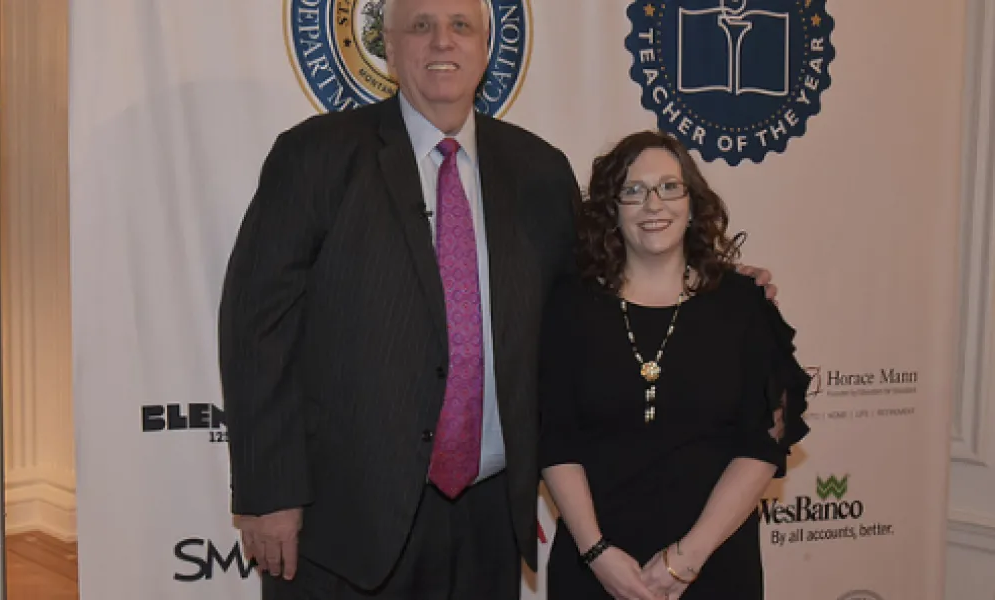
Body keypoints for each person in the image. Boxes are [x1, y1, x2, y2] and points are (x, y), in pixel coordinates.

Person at [217, 0, 778, 598]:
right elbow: (256, 323)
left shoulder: (539, 170)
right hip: (346, 521)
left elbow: (605, 283)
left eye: (461, 26)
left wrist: (708, 282)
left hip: (489, 517)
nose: (442, 43)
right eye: (421, 26)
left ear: (486, 49)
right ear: (388, 47)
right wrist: (269, 493)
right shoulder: (316, 156)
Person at [538, 130, 810, 600]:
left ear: (692, 201)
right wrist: (597, 553)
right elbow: (554, 438)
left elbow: (762, 444)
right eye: (633, 190)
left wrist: (686, 559)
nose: (653, 204)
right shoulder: (570, 306)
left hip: (714, 567)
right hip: (597, 570)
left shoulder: (744, 305)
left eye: (669, 186)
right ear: (611, 208)